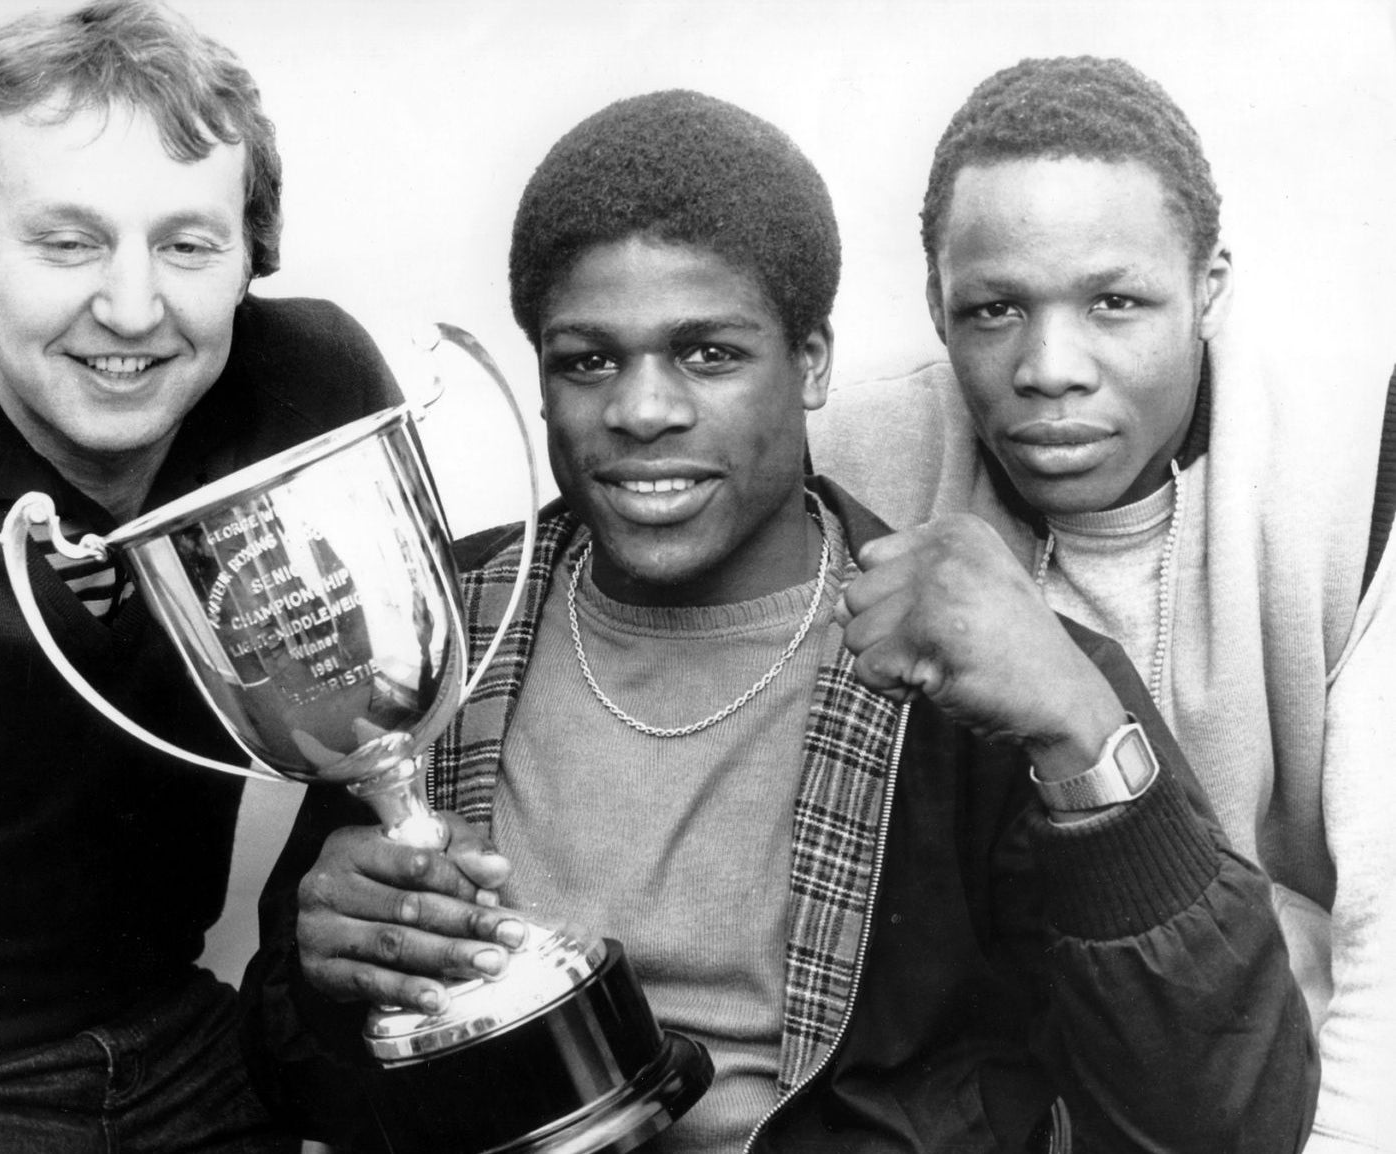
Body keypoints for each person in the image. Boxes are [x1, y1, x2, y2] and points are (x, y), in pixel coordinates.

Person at [239, 89, 1315, 1154]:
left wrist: (1085, 723)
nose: (643, 410)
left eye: (708, 353)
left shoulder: (982, 670)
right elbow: (299, 1070)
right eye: (588, 359)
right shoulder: (438, 632)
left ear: (811, 364)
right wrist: (322, 973)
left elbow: (1222, 1121)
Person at [807, 56, 1396, 1152]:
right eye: (993, 311)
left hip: (1274, 1079)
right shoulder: (847, 467)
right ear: (935, 304)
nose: (1049, 367)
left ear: (1211, 285)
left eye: (1115, 302)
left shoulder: (1361, 463)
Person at [0, 2, 400, 1150]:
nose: (135, 308)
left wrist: (307, 971)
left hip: (187, 1039)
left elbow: (375, 723)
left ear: (253, 250)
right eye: (68, 241)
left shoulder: (313, 387)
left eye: (189, 243)